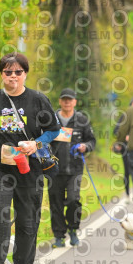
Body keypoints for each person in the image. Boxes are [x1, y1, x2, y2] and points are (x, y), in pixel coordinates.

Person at [0, 53, 60, 264]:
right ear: (1, 74)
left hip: (29, 170)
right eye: (8, 72)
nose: (13, 76)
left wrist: (36, 144)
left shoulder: (38, 100)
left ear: (25, 74)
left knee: (27, 221)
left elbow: (54, 130)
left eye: (18, 72)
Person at [48, 88, 96, 248]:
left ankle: (73, 230)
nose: (67, 102)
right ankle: (59, 236)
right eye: (64, 99)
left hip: (75, 169)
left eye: (70, 99)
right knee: (55, 203)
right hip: (53, 169)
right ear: (60, 101)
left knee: (73, 200)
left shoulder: (82, 120)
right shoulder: (52, 119)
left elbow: (92, 140)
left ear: (75, 102)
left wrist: (85, 146)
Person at [113, 98, 133, 199]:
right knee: (127, 171)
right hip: (126, 148)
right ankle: (127, 194)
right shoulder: (124, 116)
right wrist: (124, 136)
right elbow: (115, 131)